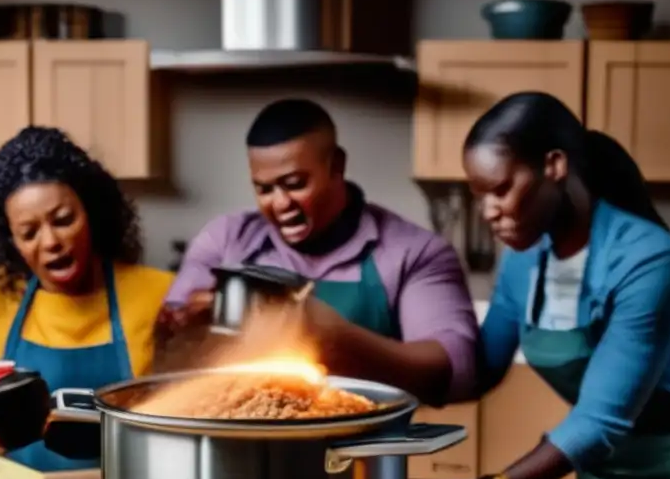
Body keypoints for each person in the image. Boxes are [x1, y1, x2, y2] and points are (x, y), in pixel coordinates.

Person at [436, 91, 670, 479]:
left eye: (499, 190)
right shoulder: (524, 259)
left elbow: (599, 421)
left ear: (554, 166)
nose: (488, 212)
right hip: (601, 475)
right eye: (479, 196)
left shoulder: (648, 261)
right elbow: (481, 369)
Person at [160, 98, 478, 406]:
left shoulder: (414, 252)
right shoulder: (227, 240)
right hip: (242, 442)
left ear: (336, 166)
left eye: (295, 183)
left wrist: (337, 337)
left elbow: (454, 371)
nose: (281, 203)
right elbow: (166, 348)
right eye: (264, 189)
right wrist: (186, 322)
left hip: (363, 451)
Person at [0, 126, 174, 471]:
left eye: (63, 220)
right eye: (29, 232)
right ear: (11, 241)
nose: (51, 241)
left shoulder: (159, 296)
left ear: (91, 212)